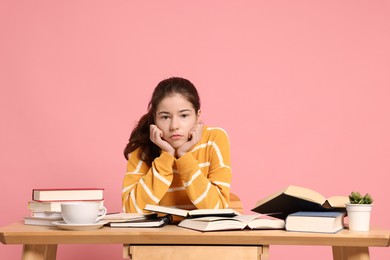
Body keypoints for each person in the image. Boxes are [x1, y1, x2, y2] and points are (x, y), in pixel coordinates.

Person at [122, 77, 232, 213]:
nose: (174, 126)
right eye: (165, 117)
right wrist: (166, 156)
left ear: (197, 116)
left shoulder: (214, 138)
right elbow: (131, 210)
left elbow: (217, 208)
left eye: (184, 116)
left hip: (202, 233)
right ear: (155, 119)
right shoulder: (143, 145)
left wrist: (184, 157)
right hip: (159, 234)